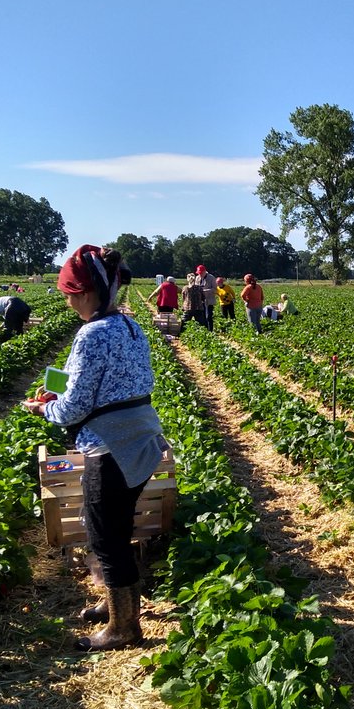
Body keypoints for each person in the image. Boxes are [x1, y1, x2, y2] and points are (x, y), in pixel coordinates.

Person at [22, 245, 167, 651]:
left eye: (68, 292)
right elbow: (82, 380)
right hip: (141, 439)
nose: (66, 299)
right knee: (117, 528)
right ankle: (114, 605)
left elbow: (75, 407)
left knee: (106, 537)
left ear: (84, 292)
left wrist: (43, 410)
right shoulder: (128, 326)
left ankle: (124, 628)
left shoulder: (92, 333)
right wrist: (52, 390)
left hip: (110, 448)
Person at [196, 264, 218, 331]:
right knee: (201, 316)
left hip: (209, 300)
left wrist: (205, 291)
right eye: (199, 273)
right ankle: (204, 330)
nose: (200, 274)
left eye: (201, 273)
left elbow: (215, 289)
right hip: (200, 301)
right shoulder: (197, 278)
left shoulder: (211, 278)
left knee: (209, 316)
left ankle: (210, 330)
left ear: (205, 271)